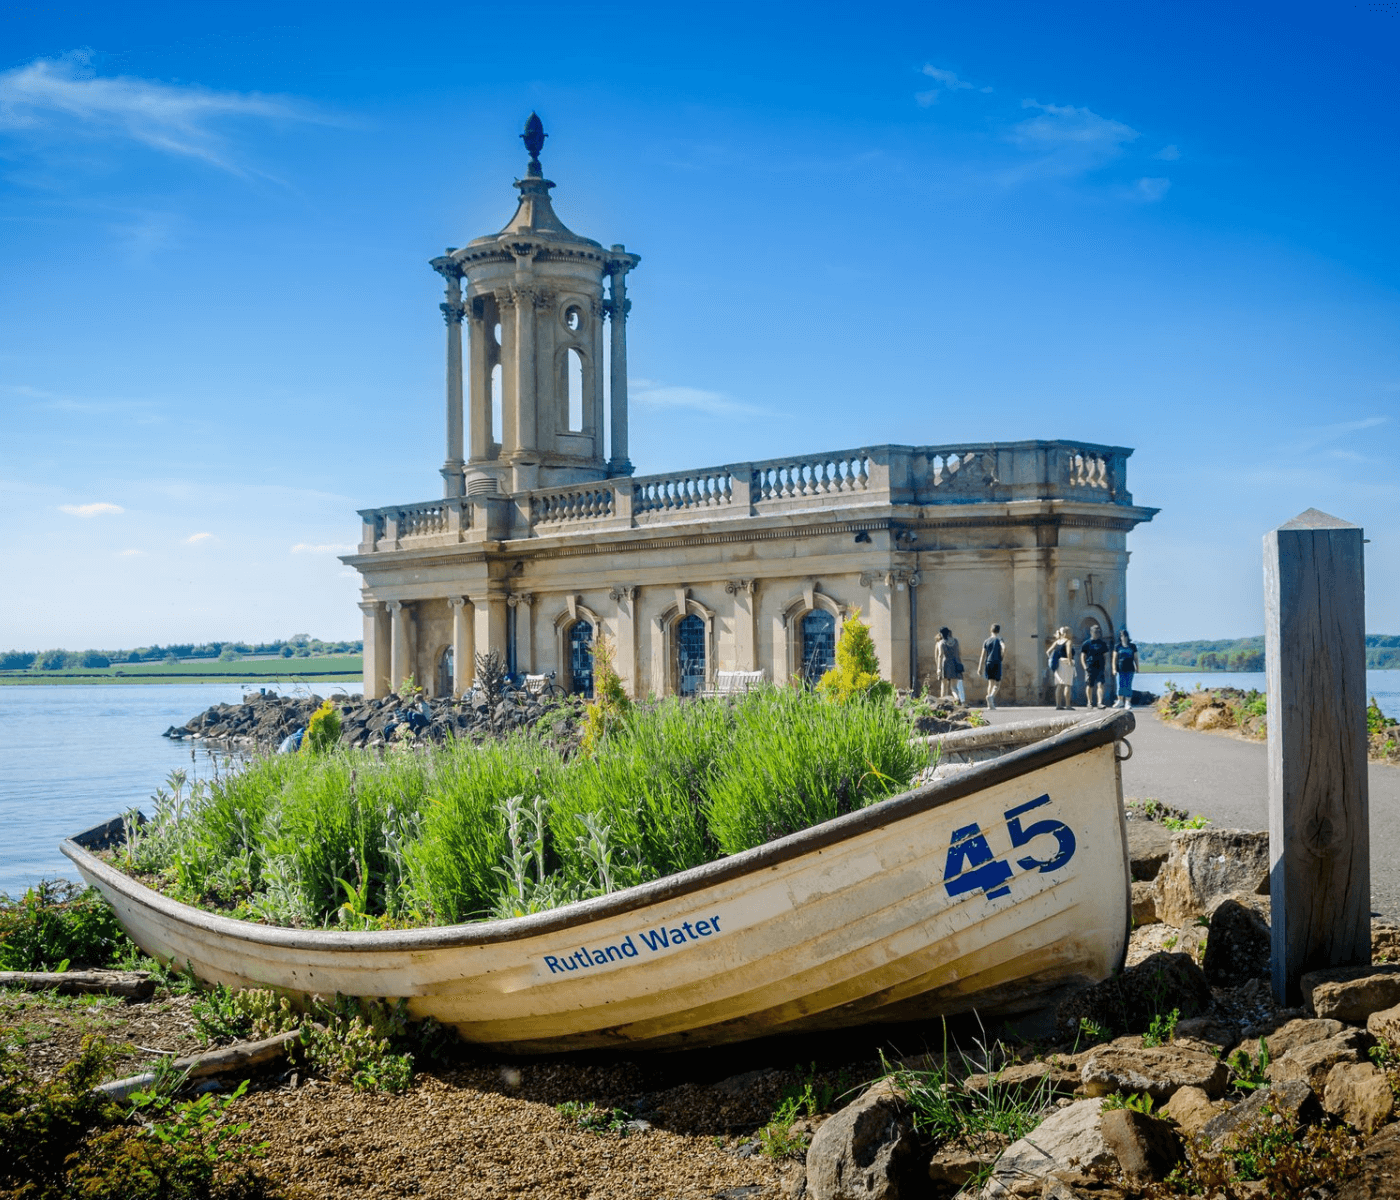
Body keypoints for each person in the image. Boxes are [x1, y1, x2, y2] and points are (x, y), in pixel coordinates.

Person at [1080, 623, 1110, 709]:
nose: (1097, 633)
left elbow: (1106, 656)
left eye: (1098, 632)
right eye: (1095, 632)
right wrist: (1084, 667)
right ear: (1091, 632)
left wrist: (1106, 666)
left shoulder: (1102, 644)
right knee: (1089, 685)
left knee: (1100, 684)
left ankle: (1099, 703)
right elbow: (1082, 656)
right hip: (1090, 667)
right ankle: (1089, 703)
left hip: (1100, 666)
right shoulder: (1086, 643)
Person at [934, 626, 966, 705]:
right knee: (954, 687)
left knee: (944, 686)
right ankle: (957, 698)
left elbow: (940, 655)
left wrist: (938, 668)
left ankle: (942, 704)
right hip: (955, 663)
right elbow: (959, 653)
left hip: (945, 664)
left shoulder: (941, 643)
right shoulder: (955, 641)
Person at [977, 623, 1005, 709]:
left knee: (990, 683)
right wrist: (1002, 656)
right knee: (997, 684)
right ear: (999, 630)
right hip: (997, 662)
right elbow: (1004, 647)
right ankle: (991, 697)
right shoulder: (1000, 639)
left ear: (991, 630)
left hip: (988, 662)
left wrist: (979, 667)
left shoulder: (986, 641)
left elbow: (982, 655)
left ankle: (990, 705)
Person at [1047, 626, 1075, 710]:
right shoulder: (1068, 641)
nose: (1071, 634)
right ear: (1066, 633)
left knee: (1059, 685)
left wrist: (1051, 659)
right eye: (1070, 632)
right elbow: (1069, 652)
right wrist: (1070, 661)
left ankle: (1058, 705)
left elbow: (1048, 652)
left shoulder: (1057, 642)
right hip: (1066, 663)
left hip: (1058, 664)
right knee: (1067, 684)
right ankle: (1068, 705)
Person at [1114, 629, 1139, 708]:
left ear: (1127, 637)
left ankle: (1127, 702)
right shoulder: (1117, 646)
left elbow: (1136, 658)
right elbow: (1114, 659)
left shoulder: (1132, 646)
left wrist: (1137, 667)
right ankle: (1120, 701)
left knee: (1128, 685)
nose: (1123, 638)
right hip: (1120, 668)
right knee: (1120, 685)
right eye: (1122, 636)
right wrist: (1114, 669)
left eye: (1125, 636)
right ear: (1120, 637)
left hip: (1130, 668)